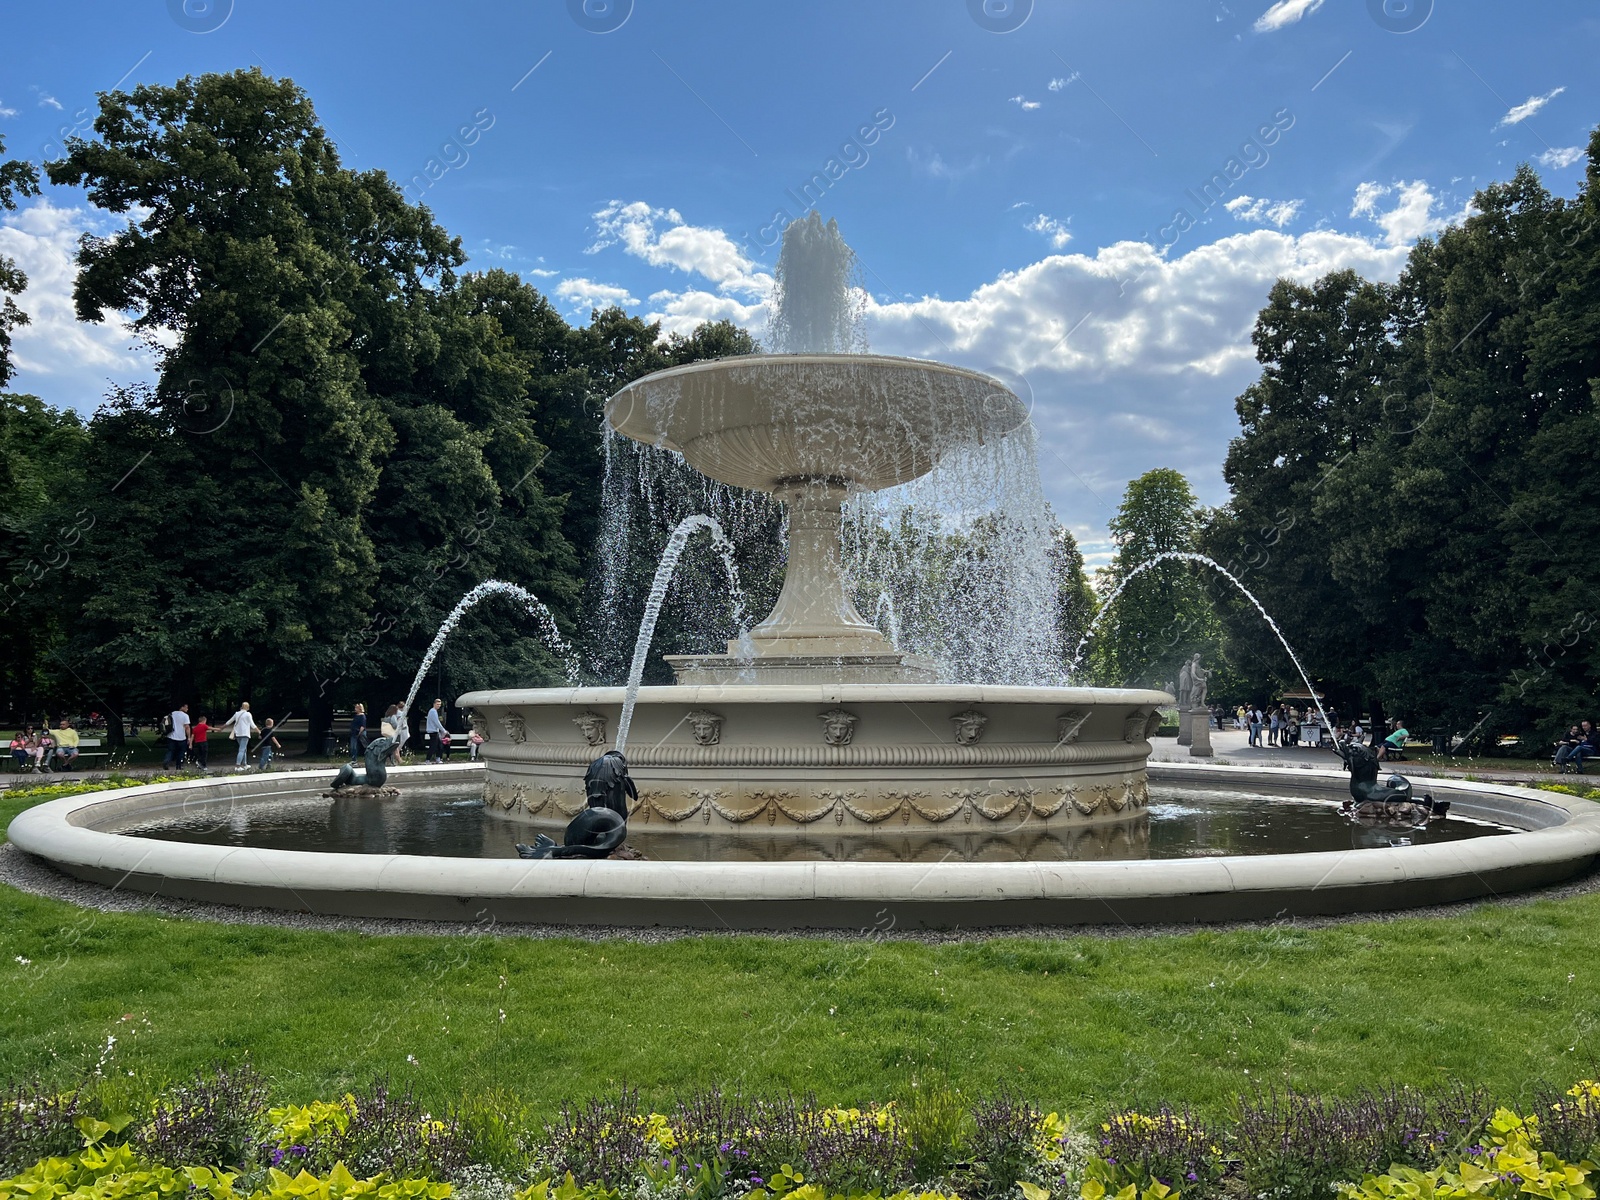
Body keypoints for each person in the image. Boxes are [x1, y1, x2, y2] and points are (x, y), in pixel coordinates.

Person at [222, 702, 259, 768]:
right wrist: (259, 731)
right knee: (242, 749)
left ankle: (245, 764)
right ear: (247, 707)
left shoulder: (237, 714)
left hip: (238, 734)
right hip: (245, 734)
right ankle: (237, 766)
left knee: (243, 749)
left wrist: (221, 728)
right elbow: (252, 725)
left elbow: (229, 722)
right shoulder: (248, 714)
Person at [163, 703, 191, 769]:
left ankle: (166, 761)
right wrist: (189, 737)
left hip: (171, 736)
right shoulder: (185, 716)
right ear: (182, 707)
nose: (187, 709)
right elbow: (187, 727)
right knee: (181, 751)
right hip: (181, 737)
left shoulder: (172, 714)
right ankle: (179, 765)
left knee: (170, 751)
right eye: (186, 707)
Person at [425, 698, 446, 764]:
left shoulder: (433, 711)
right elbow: (436, 722)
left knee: (439, 745)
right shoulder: (433, 711)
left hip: (434, 731)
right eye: (437, 704)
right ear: (434, 704)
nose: (439, 706)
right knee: (433, 746)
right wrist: (443, 730)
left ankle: (438, 758)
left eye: (439, 704)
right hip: (433, 731)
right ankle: (428, 760)